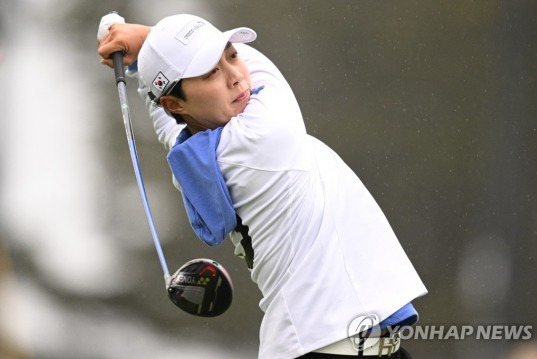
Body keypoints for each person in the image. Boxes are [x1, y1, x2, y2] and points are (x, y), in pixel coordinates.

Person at [98, 13, 427, 359]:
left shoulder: (193, 151)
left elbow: (167, 117)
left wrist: (148, 60)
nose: (235, 77)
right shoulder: (261, 136)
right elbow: (264, 73)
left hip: (333, 344)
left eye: (232, 55)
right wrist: (150, 39)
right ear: (176, 103)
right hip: (327, 347)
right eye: (211, 71)